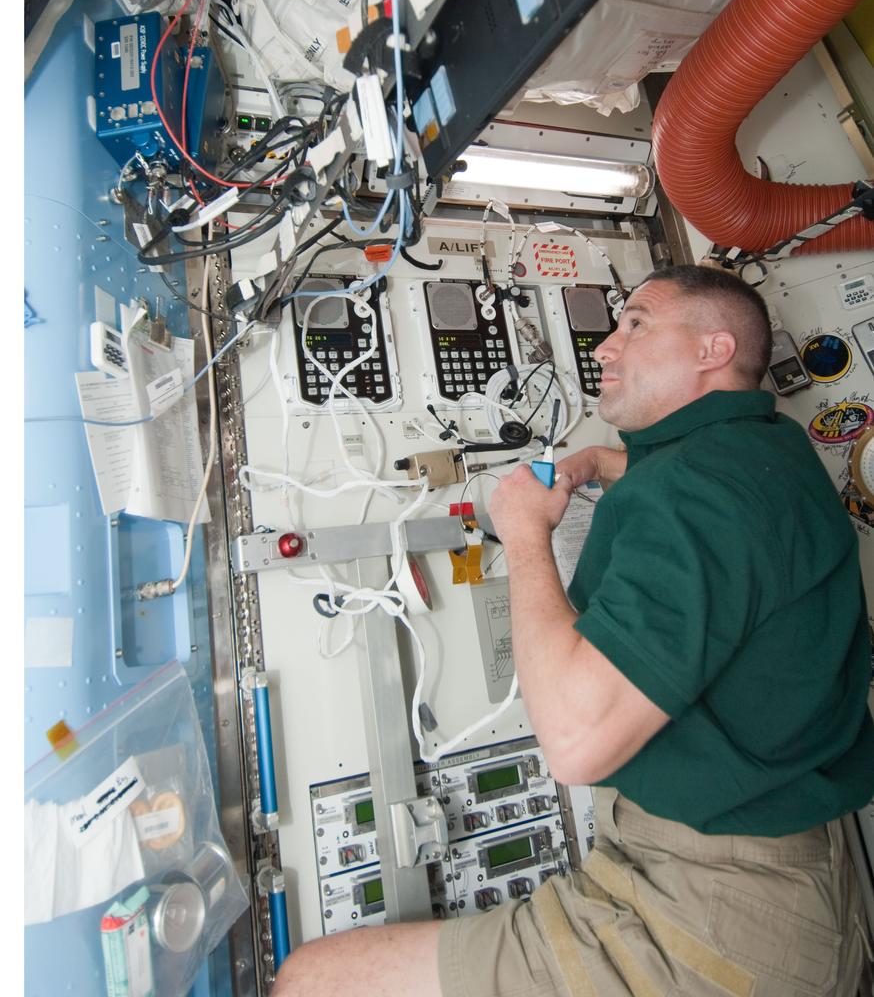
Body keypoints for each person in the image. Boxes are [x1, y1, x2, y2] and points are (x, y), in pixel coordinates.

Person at [274, 264, 874, 996]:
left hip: (717, 913)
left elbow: (575, 743)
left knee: (312, 979)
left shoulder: (698, 494)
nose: (604, 347)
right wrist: (613, 464)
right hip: (809, 881)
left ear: (712, 350)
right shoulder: (770, 449)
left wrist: (523, 535)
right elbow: (719, 513)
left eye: (637, 325)